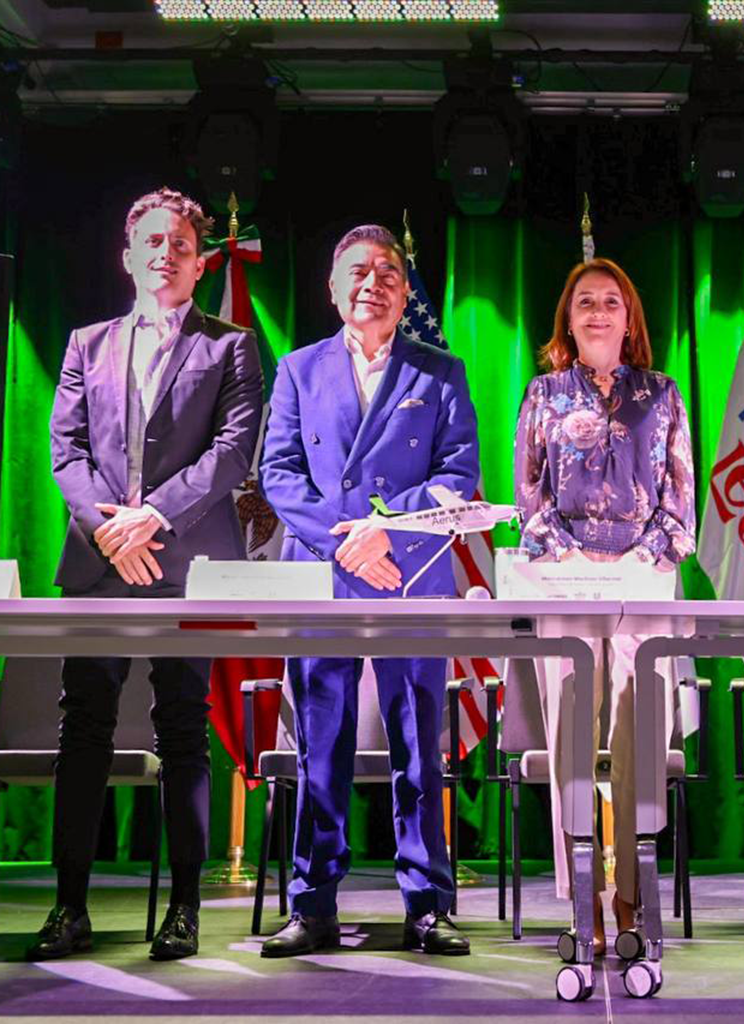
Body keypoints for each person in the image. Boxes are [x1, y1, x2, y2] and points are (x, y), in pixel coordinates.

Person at [32, 187, 264, 962]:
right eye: (153, 242)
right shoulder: (85, 343)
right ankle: (69, 907)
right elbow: (66, 450)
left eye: (181, 245)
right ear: (128, 256)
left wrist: (153, 518)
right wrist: (110, 530)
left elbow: (232, 451)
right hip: (99, 563)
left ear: (200, 265)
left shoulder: (231, 346)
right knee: (83, 727)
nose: (166, 254)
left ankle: (186, 910)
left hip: (185, 563)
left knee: (184, 727)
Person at [259, 224, 479, 958]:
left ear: (405, 290)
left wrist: (387, 533)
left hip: (410, 576)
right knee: (319, 749)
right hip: (322, 577)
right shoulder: (298, 369)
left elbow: (458, 473)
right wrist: (345, 539)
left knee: (419, 748)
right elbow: (280, 472)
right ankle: (312, 903)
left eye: (388, 272)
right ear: (333, 287)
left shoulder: (440, 371)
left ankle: (428, 905)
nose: (372, 283)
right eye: (358, 271)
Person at [514, 257, 695, 953]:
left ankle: (632, 897)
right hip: (564, 583)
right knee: (570, 741)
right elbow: (528, 496)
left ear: (629, 318)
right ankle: (582, 896)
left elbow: (680, 501)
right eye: (584, 301)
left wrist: (636, 559)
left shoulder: (662, 393)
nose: (597, 312)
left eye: (611, 302)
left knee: (638, 738)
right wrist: (571, 556)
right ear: (568, 318)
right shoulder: (543, 394)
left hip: (642, 584)